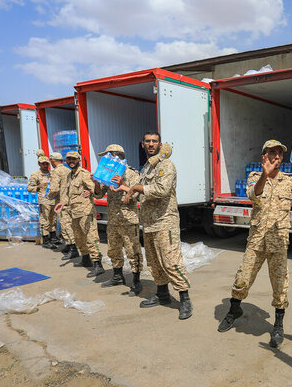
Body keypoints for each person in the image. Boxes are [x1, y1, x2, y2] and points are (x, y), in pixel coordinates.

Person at [217, 139, 292, 348]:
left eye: (279, 154)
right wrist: (265, 174)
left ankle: (278, 325)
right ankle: (234, 308)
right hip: (256, 241)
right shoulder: (255, 177)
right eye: (272, 153)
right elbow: (253, 196)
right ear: (264, 156)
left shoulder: (289, 180)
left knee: (280, 286)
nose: (277, 157)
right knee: (242, 280)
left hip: (279, 242)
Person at [118, 132, 192, 320]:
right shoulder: (146, 168)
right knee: (154, 262)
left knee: (171, 261)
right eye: (148, 141)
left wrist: (135, 188)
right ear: (143, 144)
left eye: (154, 141)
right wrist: (126, 187)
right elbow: (141, 193)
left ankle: (185, 299)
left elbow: (162, 190)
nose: (151, 144)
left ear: (160, 144)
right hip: (149, 223)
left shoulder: (166, 165)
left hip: (165, 221)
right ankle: (162, 294)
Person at [93, 144, 143, 296]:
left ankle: (136, 280)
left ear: (114, 155)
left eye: (107, 155)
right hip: (113, 219)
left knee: (132, 251)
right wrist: (95, 181)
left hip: (128, 219)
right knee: (113, 249)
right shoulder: (108, 173)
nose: (104, 159)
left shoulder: (131, 173)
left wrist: (123, 184)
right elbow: (98, 195)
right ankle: (117, 276)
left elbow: (139, 195)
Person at [54, 151, 104, 277]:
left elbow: (96, 191)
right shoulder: (69, 176)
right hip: (74, 212)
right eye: (69, 159)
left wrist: (91, 192)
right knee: (79, 238)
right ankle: (85, 258)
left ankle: (98, 264)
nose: (71, 161)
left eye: (74, 159)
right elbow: (68, 193)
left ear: (79, 160)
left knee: (91, 238)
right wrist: (63, 203)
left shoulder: (84, 174)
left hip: (86, 212)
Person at [48, 152, 77, 259]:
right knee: (70, 224)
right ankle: (69, 246)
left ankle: (73, 249)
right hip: (70, 200)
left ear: (53, 161)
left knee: (66, 225)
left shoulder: (56, 172)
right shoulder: (67, 170)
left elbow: (54, 188)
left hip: (62, 201)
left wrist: (49, 196)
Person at [27, 153, 57, 249]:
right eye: (43, 164)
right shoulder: (35, 175)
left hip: (53, 200)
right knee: (45, 220)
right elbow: (29, 188)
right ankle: (46, 240)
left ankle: (53, 237)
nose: (45, 165)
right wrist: (37, 187)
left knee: (53, 219)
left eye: (46, 164)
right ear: (39, 164)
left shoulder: (52, 174)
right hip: (44, 201)